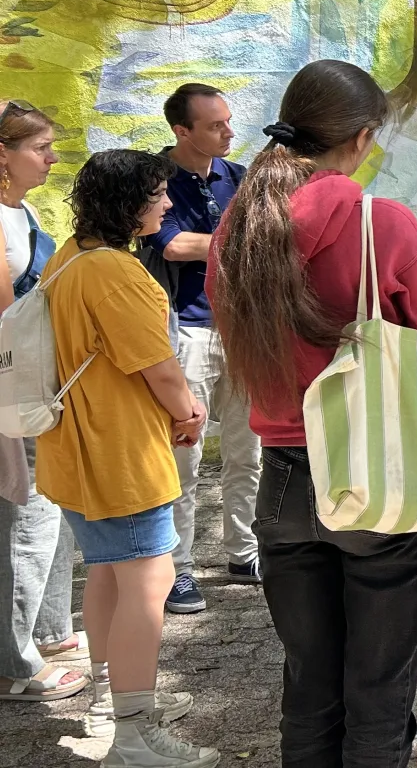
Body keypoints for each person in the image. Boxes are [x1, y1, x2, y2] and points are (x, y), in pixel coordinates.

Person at [207, 60, 417, 768]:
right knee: (378, 695)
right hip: (380, 475)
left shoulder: (239, 231)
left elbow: (238, 348)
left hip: (283, 478)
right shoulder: (384, 225)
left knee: (308, 689)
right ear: (360, 138)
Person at [36, 149, 217, 767]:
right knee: (149, 580)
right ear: (127, 204)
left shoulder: (69, 256)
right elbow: (159, 368)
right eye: (158, 194)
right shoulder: (116, 271)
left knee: (109, 572)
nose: (167, 204)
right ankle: (136, 732)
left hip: (77, 448)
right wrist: (190, 413)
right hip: (122, 452)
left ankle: (109, 705)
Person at [139, 83, 262, 614]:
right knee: (182, 460)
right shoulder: (152, 181)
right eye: (216, 125)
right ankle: (180, 569)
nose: (229, 132)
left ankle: (244, 551)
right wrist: (245, 241)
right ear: (181, 130)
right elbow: (171, 244)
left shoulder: (238, 178)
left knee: (248, 453)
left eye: (228, 121)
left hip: (244, 332)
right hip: (185, 330)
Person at [1, 99, 87, 706]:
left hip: (39, 390)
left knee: (50, 505)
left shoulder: (21, 210)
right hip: (14, 393)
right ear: (2, 155)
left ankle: (51, 632)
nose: (52, 157)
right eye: (40, 147)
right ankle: (14, 664)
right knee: (25, 521)